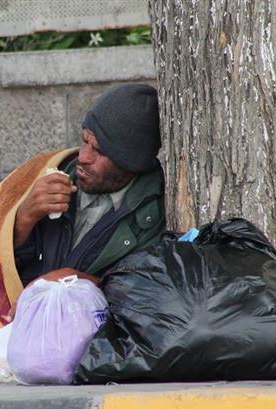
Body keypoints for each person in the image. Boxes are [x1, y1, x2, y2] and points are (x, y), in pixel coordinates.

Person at [13, 83, 165, 287]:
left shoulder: (153, 218)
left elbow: (143, 294)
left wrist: (80, 282)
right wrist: (23, 218)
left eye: (99, 151)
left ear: (130, 163)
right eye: (85, 141)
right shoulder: (52, 173)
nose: (83, 157)